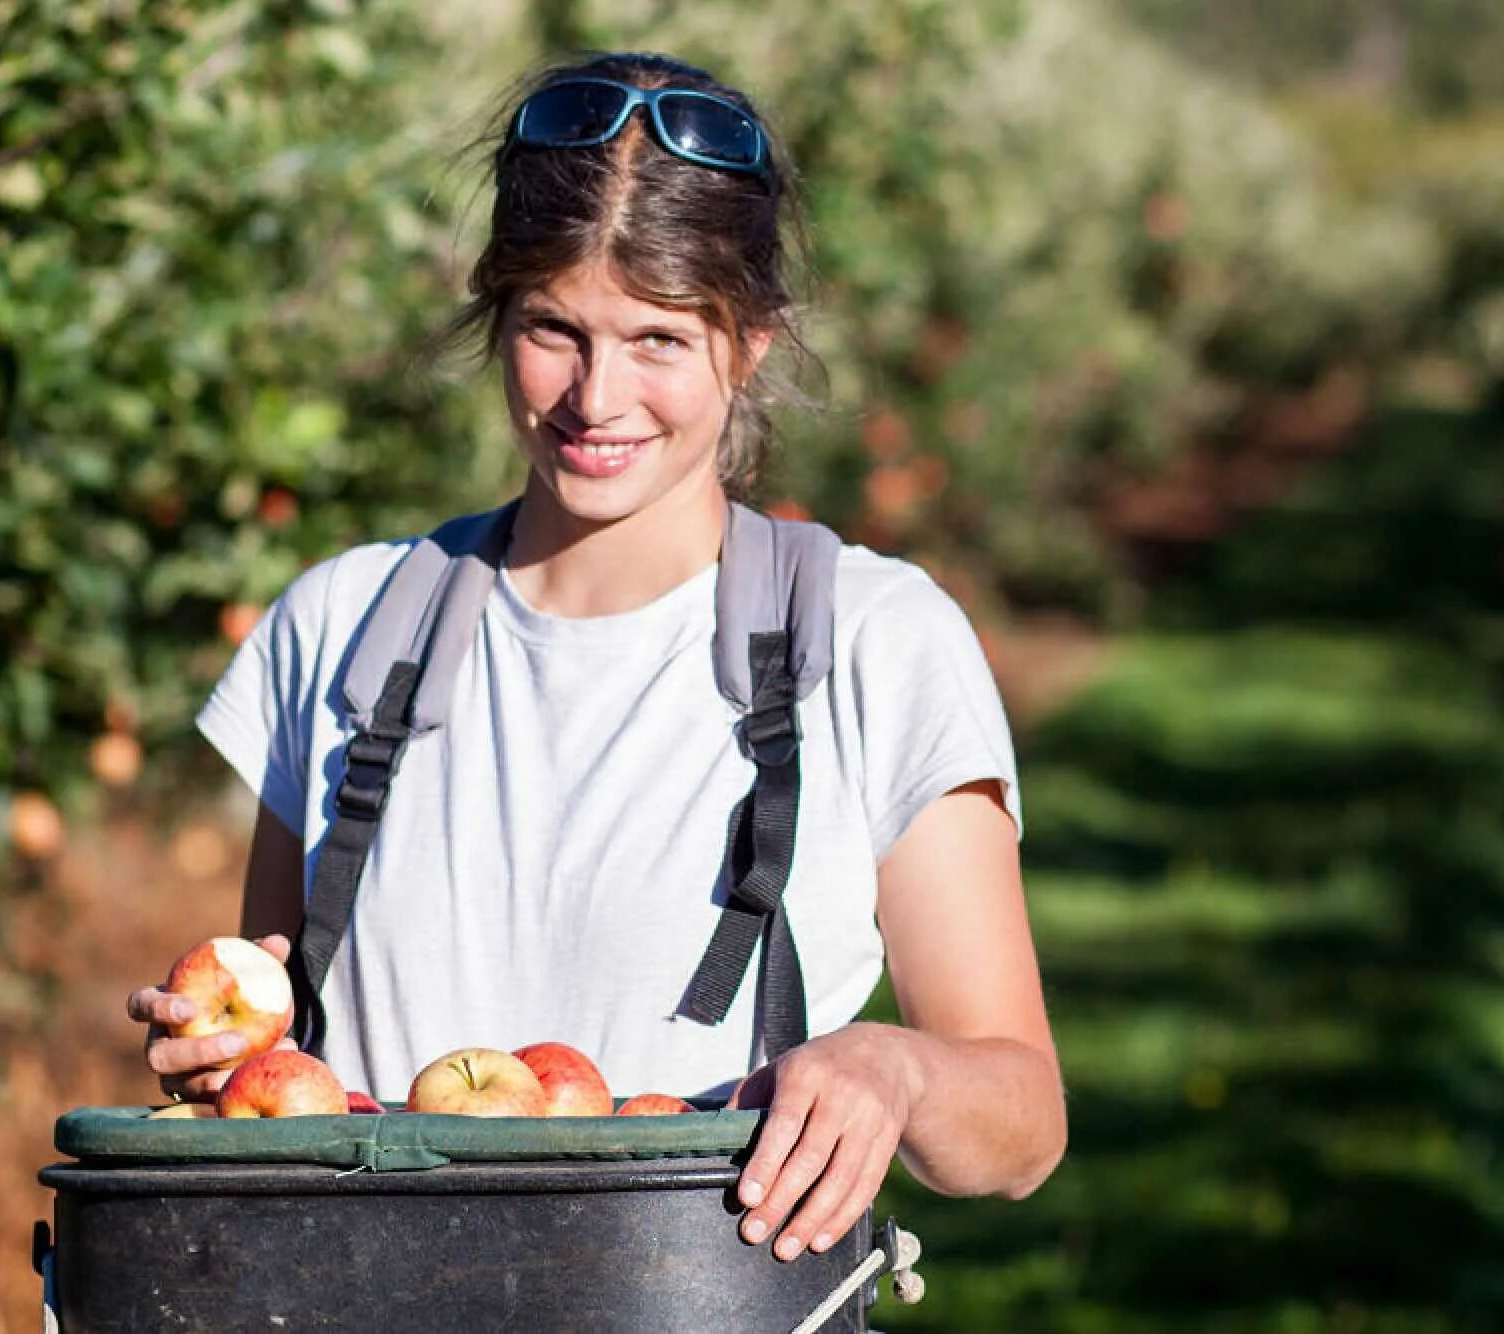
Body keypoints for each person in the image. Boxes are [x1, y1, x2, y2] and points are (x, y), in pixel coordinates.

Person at [123, 50, 1066, 1265]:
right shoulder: (345, 624)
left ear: (752, 341)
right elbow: (269, 1063)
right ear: (494, 313)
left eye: (659, 340)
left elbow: (1019, 1125)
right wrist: (213, 1049)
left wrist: (892, 1067)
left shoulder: (874, 643)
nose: (595, 395)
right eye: (553, 330)